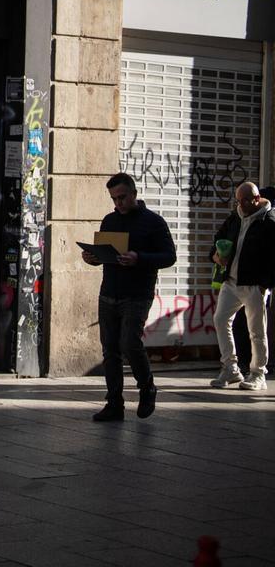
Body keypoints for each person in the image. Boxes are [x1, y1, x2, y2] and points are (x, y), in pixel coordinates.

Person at [82, 173, 176, 422]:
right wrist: (92, 258)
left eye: (122, 197)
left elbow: (169, 256)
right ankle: (114, 404)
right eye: (114, 198)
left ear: (134, 193)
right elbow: (106, 254)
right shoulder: (110, 220)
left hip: (137, 294)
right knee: (109, 350)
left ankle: (147, 388)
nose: (118, 203)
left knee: (129, 344)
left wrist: (139, 258)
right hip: (109, 292)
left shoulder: (153, 222)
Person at [208, 182, 273, 391]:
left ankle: (258, 373)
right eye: (238, 200)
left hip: (254, 284)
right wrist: (216, 256)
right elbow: (218, 239)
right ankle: (230, 367)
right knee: (220, 319)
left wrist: (265, 284)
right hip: (231, 281)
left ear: (256, 198)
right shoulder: (235, 216)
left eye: (245, 200)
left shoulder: (269, 221)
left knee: (256, 330)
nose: (241, 205)